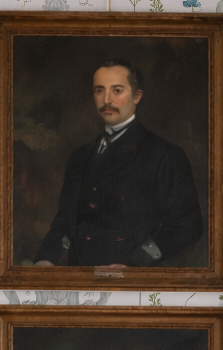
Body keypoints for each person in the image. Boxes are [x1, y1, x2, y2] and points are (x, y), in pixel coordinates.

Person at [33, 61, 204, 269]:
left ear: (137, 96)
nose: (107, 100)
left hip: (132, 278)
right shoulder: (79, 157)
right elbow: (66, 220)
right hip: (79, 274)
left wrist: (135, 262)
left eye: (117, 90)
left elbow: (187, 224)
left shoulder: (164, 155)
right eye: (99, 90)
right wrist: (46, 258)